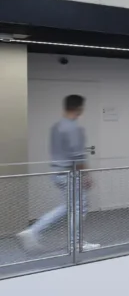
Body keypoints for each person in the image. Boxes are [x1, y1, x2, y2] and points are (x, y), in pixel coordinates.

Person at [18, 94, 99, 252]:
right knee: (79, 208)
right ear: (79, 108)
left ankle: (34, 231)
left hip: (57, 172)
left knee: (68, 207)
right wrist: (86, 175)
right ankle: (75, 242)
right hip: (71, 174)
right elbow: (77, 157)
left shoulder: (56, 127)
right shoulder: (74, 128)